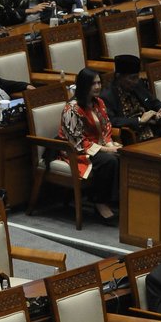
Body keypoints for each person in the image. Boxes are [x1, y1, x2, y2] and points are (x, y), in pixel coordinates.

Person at [58, 67, 120, 225]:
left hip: (98, 145)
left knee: (124, 154)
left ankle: (114, 200)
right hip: (76, 151)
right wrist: (108, 149)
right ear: (85, 85)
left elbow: (106, 127)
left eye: (99, 83)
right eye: (94, 84)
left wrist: (111, 144)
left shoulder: (98, 102)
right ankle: (99, 202)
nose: (98, 87)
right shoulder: (72, 109)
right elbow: (77, 142)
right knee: (109, 161)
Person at [101, 54, 161, 142]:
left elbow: (154, 102)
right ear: (119, 76)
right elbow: (112, 121)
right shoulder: (107, 96)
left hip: (154, 128)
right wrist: (139, 120)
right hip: (132, 135)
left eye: (137, 77)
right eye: (132, 78)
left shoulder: (138, 85)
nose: (136, 81)